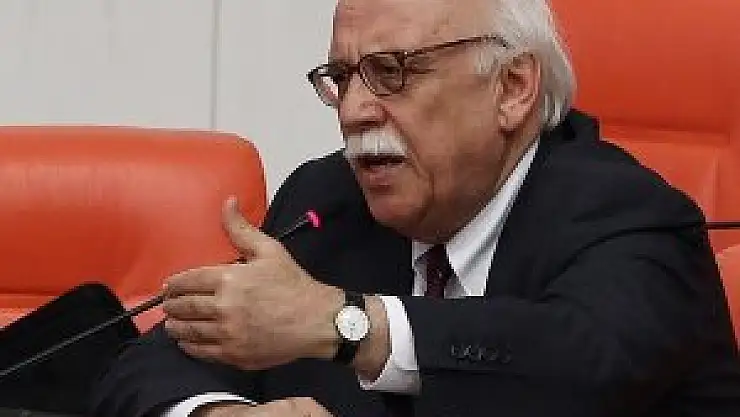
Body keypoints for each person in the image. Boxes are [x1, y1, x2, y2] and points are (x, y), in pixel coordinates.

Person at [90, 0, 740, 416]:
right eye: (342, 78)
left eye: (393, 72)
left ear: (512, 87)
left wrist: (346, 324)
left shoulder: (635, 220)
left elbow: (576, 369)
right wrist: (218, 412)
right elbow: (149, 365)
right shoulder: (328, 201)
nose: (354, 111)